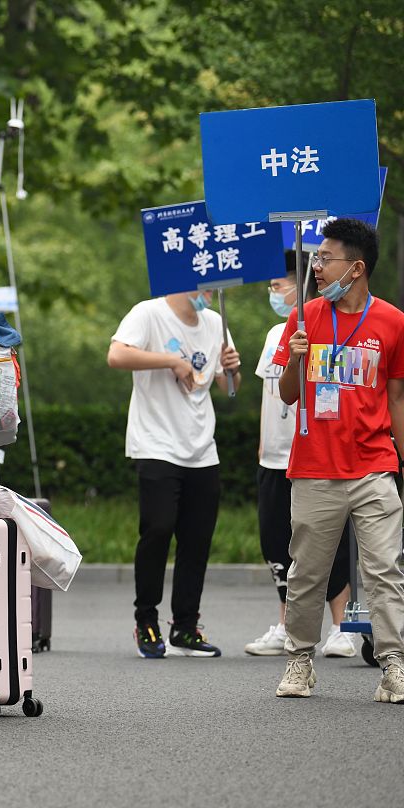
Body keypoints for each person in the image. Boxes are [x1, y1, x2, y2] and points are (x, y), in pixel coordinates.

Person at [272, 218, 404, 702]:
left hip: (374, 465)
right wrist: (296, 360)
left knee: (385, 569)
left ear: (357, 267)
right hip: (315, 467)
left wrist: (401, 464)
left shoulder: (392, 321)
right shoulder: (303, 317)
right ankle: (300, 659)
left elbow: (397, 400)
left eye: (326, 259)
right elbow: (288, 395)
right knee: (307, 571)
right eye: (316, 257)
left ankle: (393, 664)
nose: (317, 267)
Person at [107, 286, 241, 659]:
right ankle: (146, 619)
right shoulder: (148, 312)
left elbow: (228, 387)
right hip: (156, 443)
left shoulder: (216, 323)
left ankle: (185, 626)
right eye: (208, 284)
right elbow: (116, 355)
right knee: (158, 528)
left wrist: (230, 370)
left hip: (202, 447)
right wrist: (170, 360)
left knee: (197, 540)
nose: (213, 292)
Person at [246, 251, 357, 657]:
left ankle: (342, 627)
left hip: (316, 453)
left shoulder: (331, 328)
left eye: (278, 286)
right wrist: (262, 448)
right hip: (275, 458)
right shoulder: (277, 333)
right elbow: (268, 395)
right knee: (277, 543)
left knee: (329, 540)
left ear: (303, 284)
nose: (273, 293)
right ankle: (284, 623)